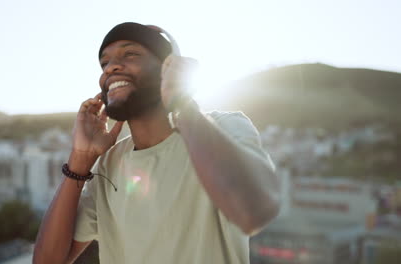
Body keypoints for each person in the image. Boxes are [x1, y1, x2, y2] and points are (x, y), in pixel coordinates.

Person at [33, 22, 280, 264]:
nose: (110, 68)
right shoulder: (109, 163)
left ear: (169, 67)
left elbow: (254, 212)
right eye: (104, 62)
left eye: (130, 53)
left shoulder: (224, 127)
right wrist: (80, 158)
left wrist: (181, 104)